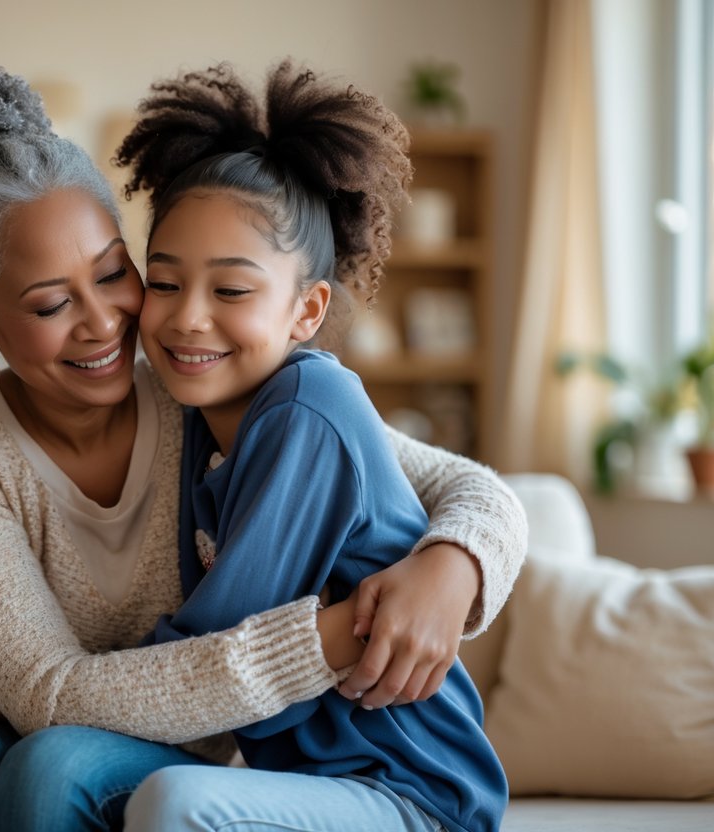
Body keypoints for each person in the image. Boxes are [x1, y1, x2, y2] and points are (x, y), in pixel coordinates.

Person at [0, 64, 525, 832]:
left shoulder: (220, 393)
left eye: (115, 274)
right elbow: (49, 692)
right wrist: (21, 699)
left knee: (56, 764)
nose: (105, 322)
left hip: (256, 746)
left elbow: (475, 491)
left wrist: (452, 568)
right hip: (158, 721)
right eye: (50, 303)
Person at [107, 61, 506, 832]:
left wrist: (39, 692)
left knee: (173, 803)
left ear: (305, 309)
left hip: (414, 795)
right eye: (163, 282)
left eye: (230, 291)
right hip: (312, 788)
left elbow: (212, 655)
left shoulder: (307, 407)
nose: (188, 318)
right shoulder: (198, 414)